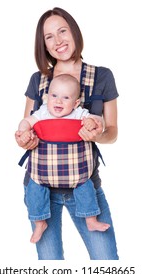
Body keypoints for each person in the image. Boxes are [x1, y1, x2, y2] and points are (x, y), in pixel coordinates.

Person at [15, 7, 119, 260]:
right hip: (40, 187)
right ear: (44, 46)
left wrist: (96, 134)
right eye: (49, 36)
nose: (58, 40)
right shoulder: (37, 80)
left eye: (62, 31)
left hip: (84, 185)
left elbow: (113, 131)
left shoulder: (102, 76)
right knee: (50, 265)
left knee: (106, 263)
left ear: (74, 31)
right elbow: (25, 127)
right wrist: (23, 139)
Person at [17, 74, 110, 243]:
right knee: (34, 189)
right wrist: (23, 132)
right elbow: (26, 121)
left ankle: (91, 220)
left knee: (86, 187)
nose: (58, 101)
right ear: (47, 97)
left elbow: (97, 121)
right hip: (43, 174)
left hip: (77, 174)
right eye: (54, 96)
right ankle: (39, 222)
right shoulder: (43, 112)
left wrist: (91, 122)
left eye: (65, 97)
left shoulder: (79, 113)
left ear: (75, 103)